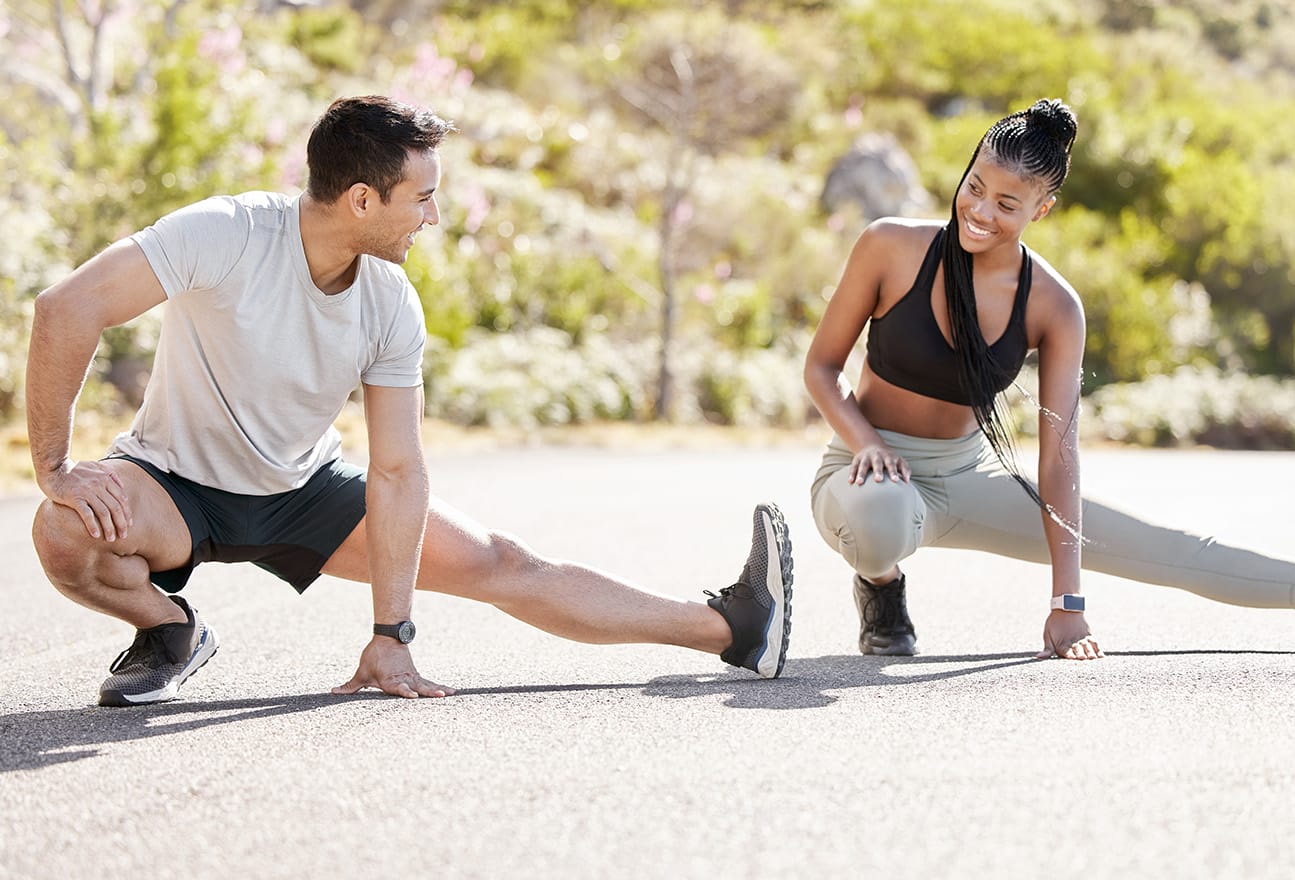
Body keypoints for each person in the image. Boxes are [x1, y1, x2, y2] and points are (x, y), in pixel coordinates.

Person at [29, 95, 793, 708]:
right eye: (422, 199)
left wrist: (390, 632)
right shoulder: (226, 233)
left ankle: (731, 629)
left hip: (303, 491)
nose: (433, 216)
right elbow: (67, 308)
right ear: (362, 199)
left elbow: (397, 469)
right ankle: (168, 631)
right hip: (176, 485)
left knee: (503, 562)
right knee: (63, 530)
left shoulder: (390, 300)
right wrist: (57, 466)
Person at [803, 97, 1295, 660]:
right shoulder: (891, 247)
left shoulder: (1053, 304)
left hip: (966, 475)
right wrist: (865, 440)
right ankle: (882, 587)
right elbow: (821, 369)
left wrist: (1068, 601)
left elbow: (1059, 450)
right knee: (881, 517)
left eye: (1007, 203)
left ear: (1042, 209)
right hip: (866, 471)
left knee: (1171, 550)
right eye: (975, 187)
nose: (980, 211)